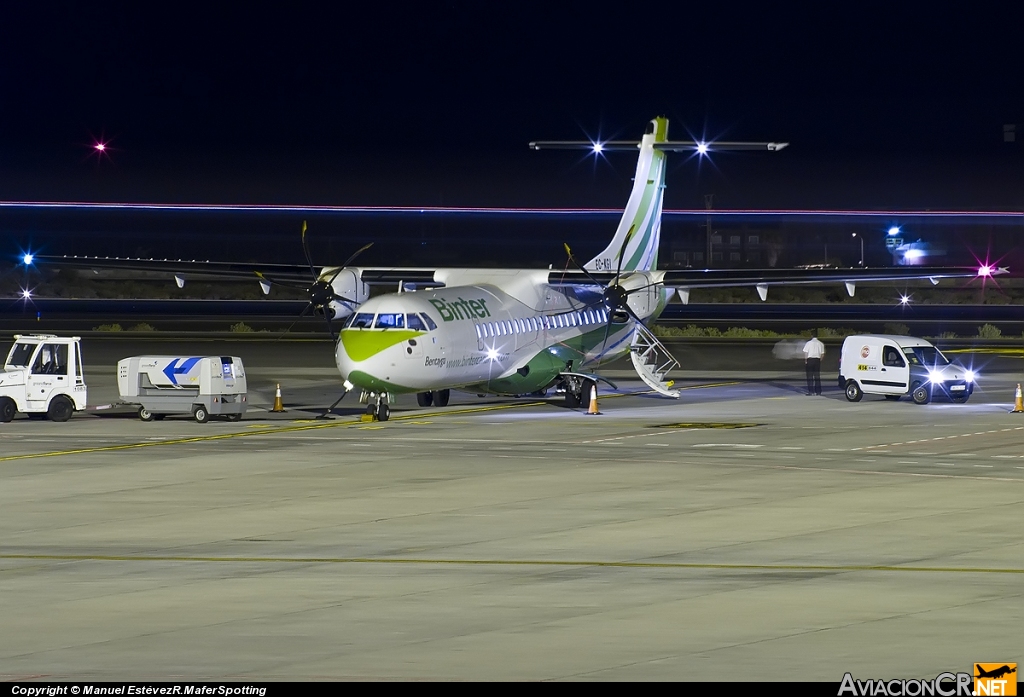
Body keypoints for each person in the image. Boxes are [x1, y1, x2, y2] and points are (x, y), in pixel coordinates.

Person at [803, 330, 825, 395]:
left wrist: (806, 360)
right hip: (817, 360)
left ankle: (811, 391)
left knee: (809, 376)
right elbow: (822, 354)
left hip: (810, 360)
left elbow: (806, 352)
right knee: (817, 376)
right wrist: (820, 359)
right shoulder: (821, 343)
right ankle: (818, 391)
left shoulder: (808, 343)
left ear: (811, 335)